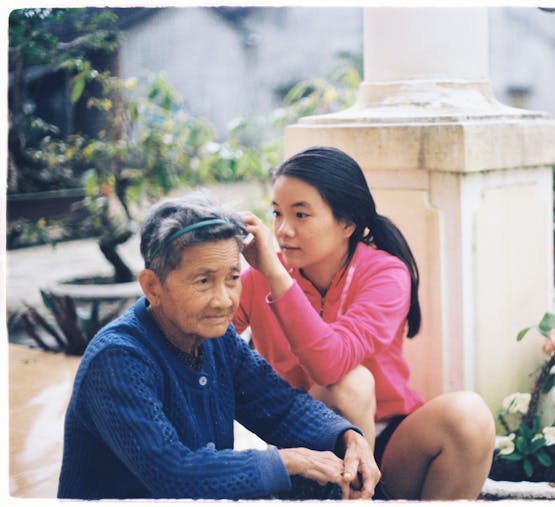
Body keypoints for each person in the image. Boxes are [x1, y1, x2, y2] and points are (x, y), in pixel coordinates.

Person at [57, 193, 379, 500]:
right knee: (301, 471)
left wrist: (347, 436)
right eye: (203, 281)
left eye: (233, 278)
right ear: (153, 287)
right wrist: (289, 461)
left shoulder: (218, 341)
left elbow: (282, 407)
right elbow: (174, 473)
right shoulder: (117, 359)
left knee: (338, 484)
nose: (224, 300)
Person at [233, 146, 496, 500]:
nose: (282, 230)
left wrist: (276, 276)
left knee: (470, 415)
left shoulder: (385, 274)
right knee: (349, 387)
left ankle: (367, 492)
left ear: (347, 224)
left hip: (390, 441)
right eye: (277, 213)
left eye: (301, 215)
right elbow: (201, 341)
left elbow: (330, 363)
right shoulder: (259, 277)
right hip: (302, 440)